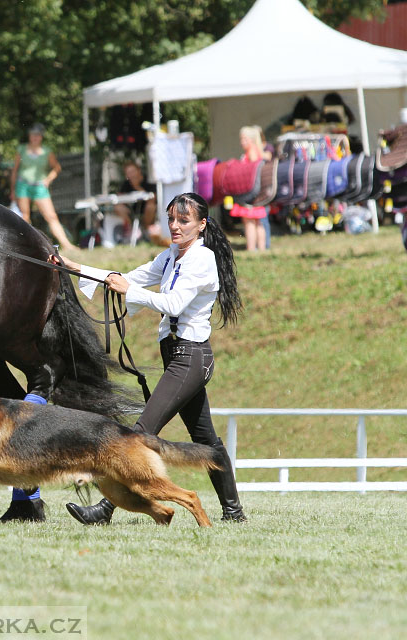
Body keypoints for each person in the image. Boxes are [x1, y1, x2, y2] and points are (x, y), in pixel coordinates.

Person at [52, 192, 247, 524]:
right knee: (206, 439)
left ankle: (105, 509)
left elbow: (172, 304)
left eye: (183, 221)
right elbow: (127, 278)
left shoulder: (201, 261)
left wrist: (129, 291)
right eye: (171, 219)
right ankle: (234, 512)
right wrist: (72, 267)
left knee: (139, 434)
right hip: (177, 357)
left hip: (191, 357)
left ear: (201, 225)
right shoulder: (171, 256)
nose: (174, 226)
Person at [10, 123, 77, 252]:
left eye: (37, 135)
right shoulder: (21, 149)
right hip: (23, 185)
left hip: (40, 187)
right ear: (29, 136)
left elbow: (57, 168)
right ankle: (24, 246)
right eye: (33, 135)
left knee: (51, 216)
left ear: (41, 137)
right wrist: (12, 190)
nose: (35, 137)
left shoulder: (47, 151)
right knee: (25, 216)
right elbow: (15, 171)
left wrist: (48, 180)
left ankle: (67, 245)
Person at [230, 126, 270, 251]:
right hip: (257, 192)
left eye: (244, 139)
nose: (242, 142)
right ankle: (261, 248)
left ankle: (252, 248)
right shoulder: (258, 151)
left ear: (251, 140)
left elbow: (253, 171)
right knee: (257, 221)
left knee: (249, 221)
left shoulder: (252, 152)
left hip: (251, 192)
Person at [114, 161, 157, 237]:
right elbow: (119, 197)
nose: (131, 174)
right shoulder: (126, 183)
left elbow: (153, 198)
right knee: (118, 207)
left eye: (132, 171)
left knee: (151, 207)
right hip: (132, 209)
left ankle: (146, 230)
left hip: (146, 208)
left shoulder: (148, 181)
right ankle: (132, 230)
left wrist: (137, 186)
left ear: (138, 171)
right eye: (128, 173)